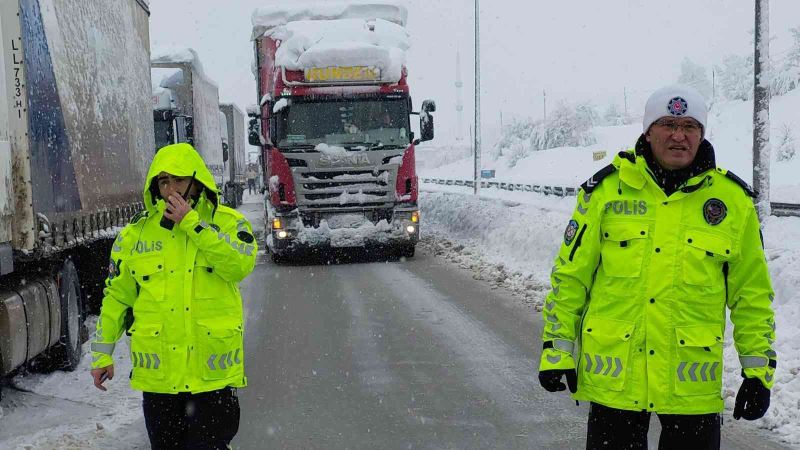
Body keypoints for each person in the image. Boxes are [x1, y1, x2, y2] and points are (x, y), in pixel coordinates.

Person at [537, 85, 776, 449]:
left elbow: (752, 295)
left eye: (690, 126)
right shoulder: (607, 192)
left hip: (690, 388)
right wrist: (556, 350)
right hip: (615, 383)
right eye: (667, 124)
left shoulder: (732, 203)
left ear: (702, 134)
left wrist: (758, 373)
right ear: (648, 132)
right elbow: (570, 278)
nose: (679, 135)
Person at [90, 143, 257, 449]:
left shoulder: (230, 223)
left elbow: (239, 266)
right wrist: (102, 354)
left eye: (178, 180)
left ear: (197, 181)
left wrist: (192, 224)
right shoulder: (135, 235)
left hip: (211, 378)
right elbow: (116, 298)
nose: (170, 190)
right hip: (160, 381)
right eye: (163, 181)